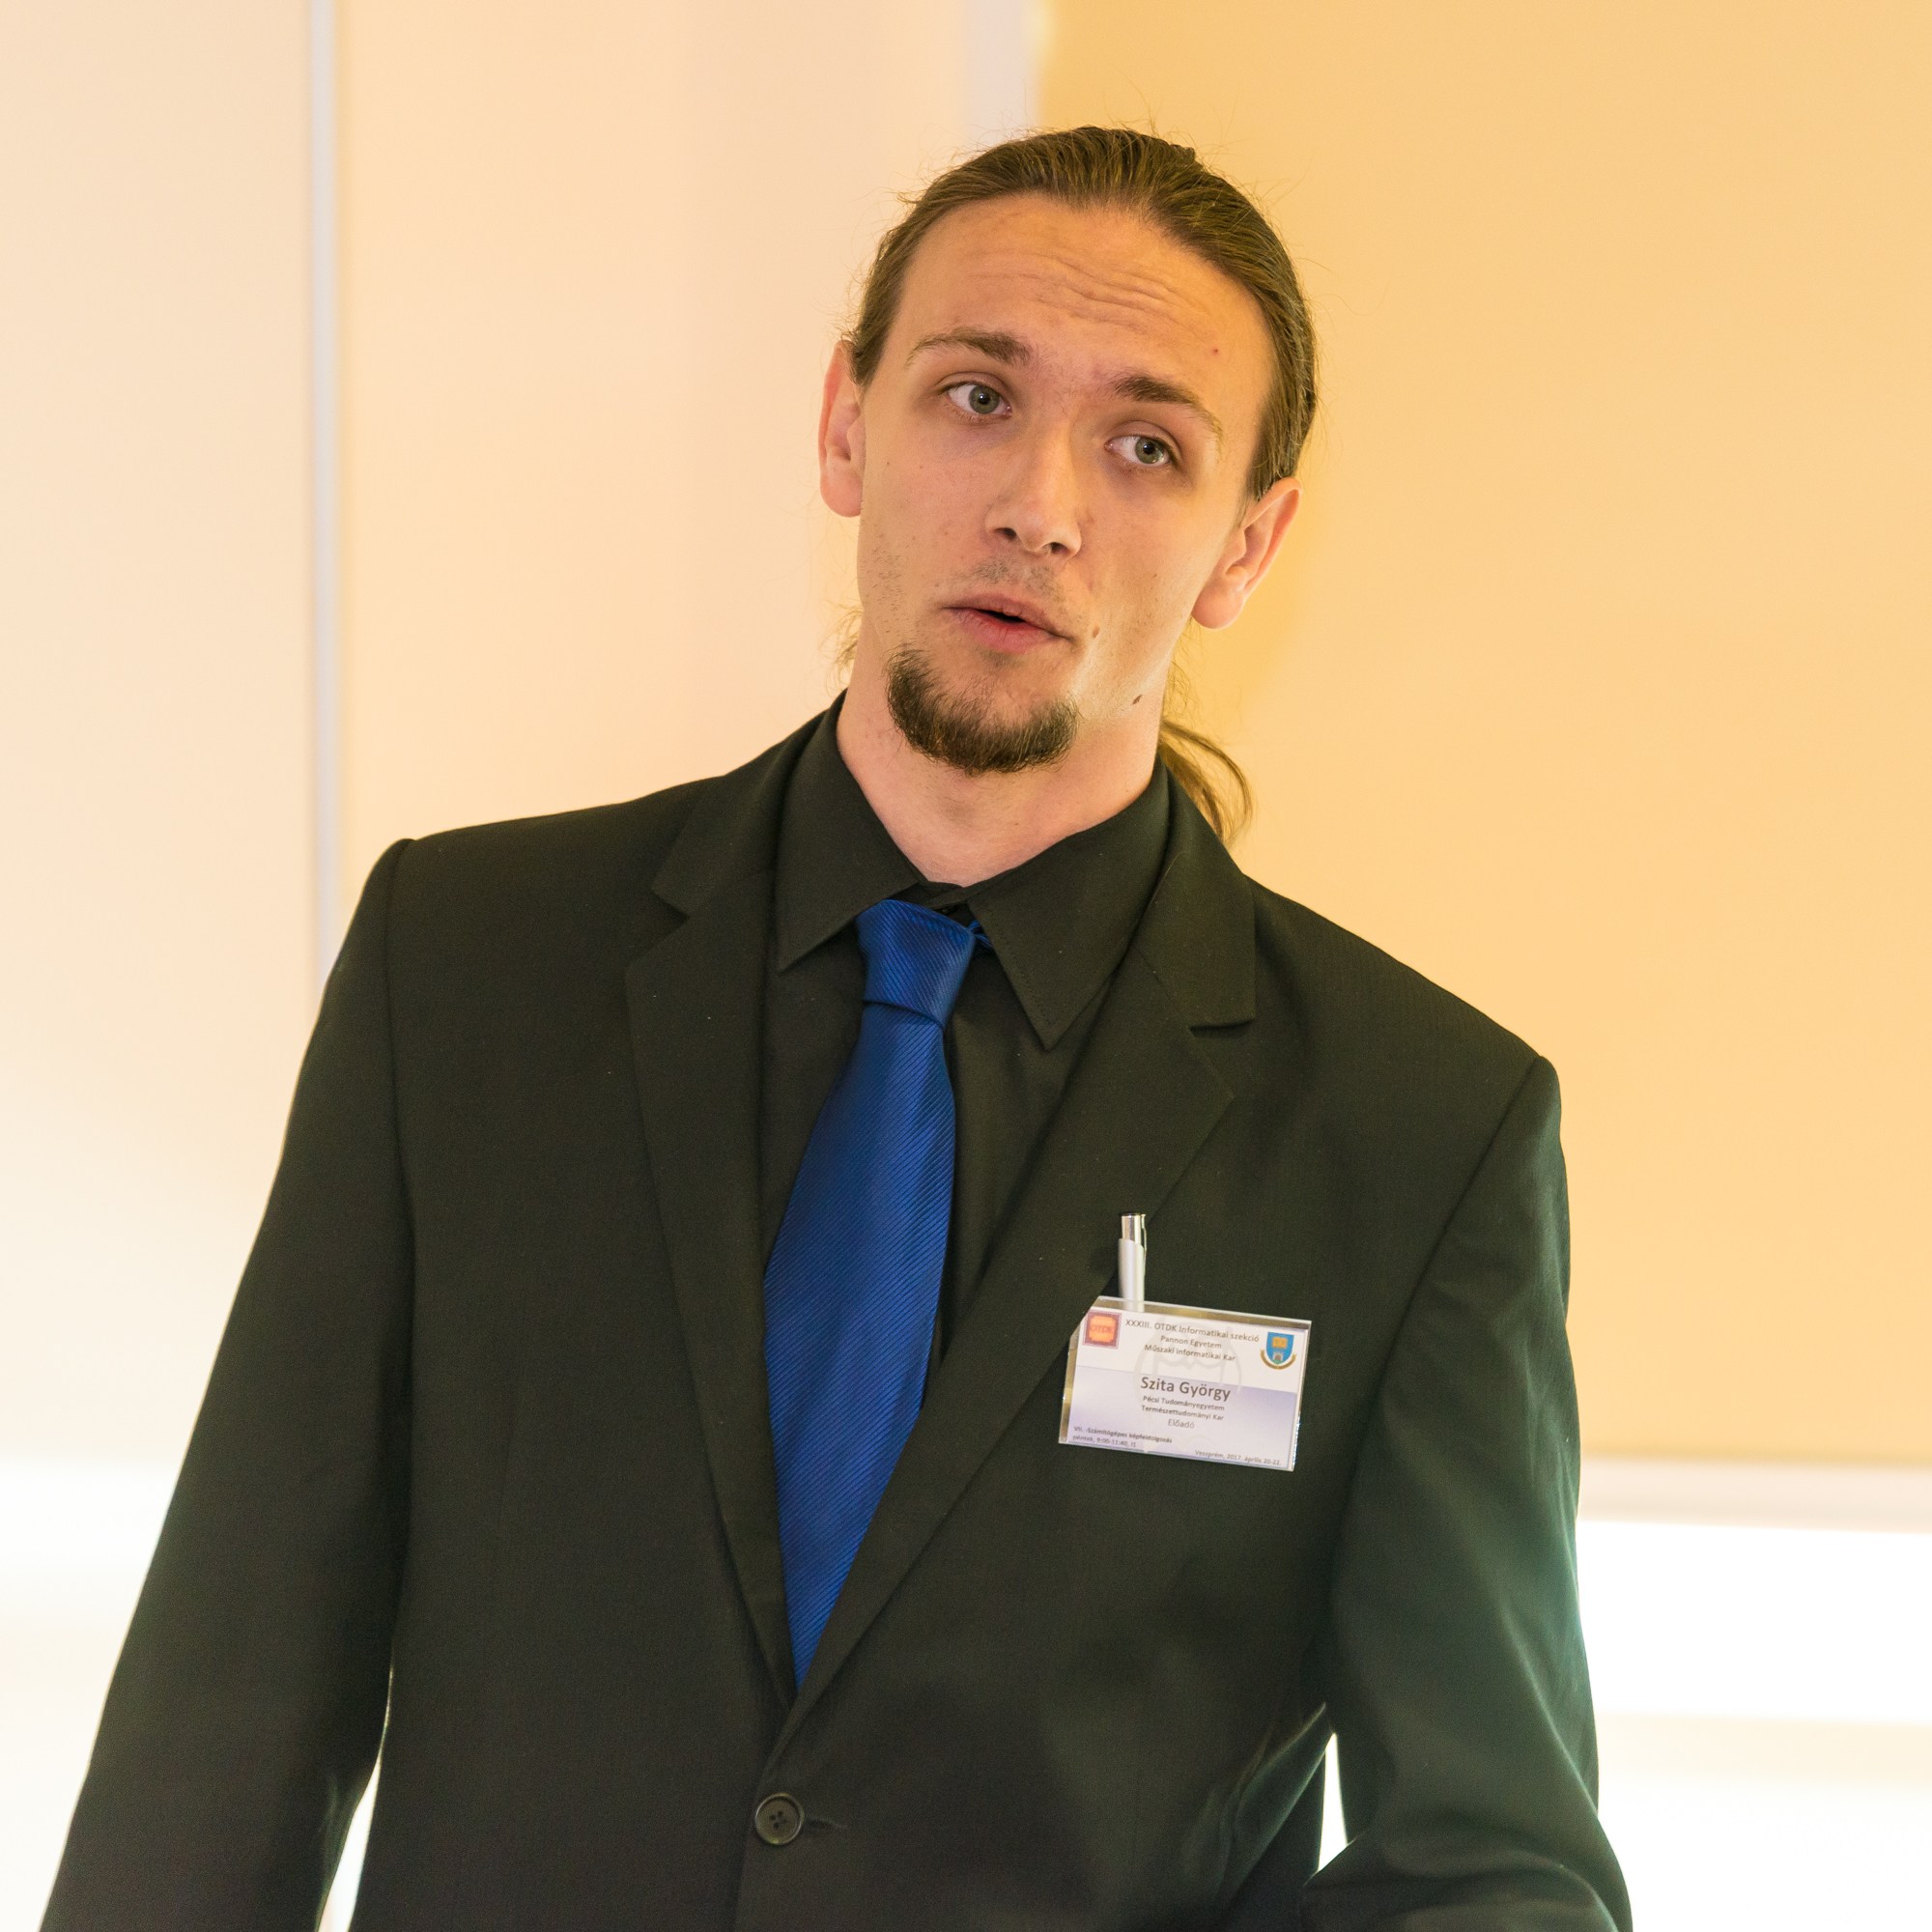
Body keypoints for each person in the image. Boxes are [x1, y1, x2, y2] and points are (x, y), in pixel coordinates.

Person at [44, 127, 1630, 1929]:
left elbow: (1496, 1868)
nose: (1040, 504)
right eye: (976, 397)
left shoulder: (1421, 1133)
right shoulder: (467, 966)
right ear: (844, 427)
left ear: (1245, 545)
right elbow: (233, 1702)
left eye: (1146, 446)